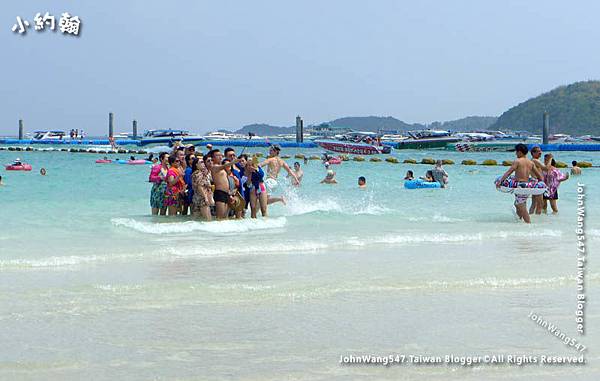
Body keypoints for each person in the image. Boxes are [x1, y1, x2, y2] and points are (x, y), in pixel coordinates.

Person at [496, 143, 542, 224]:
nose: (515, 153)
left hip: (520, 186)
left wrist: (501, 181)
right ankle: (518, 222)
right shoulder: (530, 163)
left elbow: (509, 172)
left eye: (516, 152)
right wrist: (540, 184)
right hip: (528, 186)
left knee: (519, 205)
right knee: (521, 203)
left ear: (520, 152)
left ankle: (529, 224)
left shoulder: (517, 161)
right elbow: (539, 176)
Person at [207, 149, 240, 220]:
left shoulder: (221, 167)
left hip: (226, 193)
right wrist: (233, 162)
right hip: (219, 193)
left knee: (225, 217)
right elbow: (225, 165)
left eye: (220, 155)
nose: (220, 157)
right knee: (220, 218)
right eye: (217, 155)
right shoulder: (214, 167)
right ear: (213, 158)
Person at [191, 156, 213, 220]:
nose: (203, 164)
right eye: (201, 162)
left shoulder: (195, 173)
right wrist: (205, 198)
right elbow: (200, 186)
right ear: (196, 165)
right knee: (208, 219)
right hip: (202, 198)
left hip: (196, 198)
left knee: (196, 220)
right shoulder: (199, 174)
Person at [529, 146, 547, 215]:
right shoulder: (535, 160)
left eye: (540, 151)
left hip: (534, 182)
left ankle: (531, 216)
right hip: (537, 182)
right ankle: (538, 220)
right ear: (533, 153)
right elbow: (546, 168)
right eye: (538, 151)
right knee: (540, 203)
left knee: (534, 203)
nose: (540, 152)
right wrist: (550, 159)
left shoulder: (533, 160)